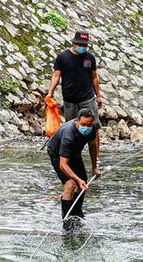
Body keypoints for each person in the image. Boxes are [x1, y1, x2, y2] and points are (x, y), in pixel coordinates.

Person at [47, 31, 102, 165]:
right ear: (74, 43)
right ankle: (70, 155)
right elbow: (56, 75)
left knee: (93, 128)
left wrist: (98, 96)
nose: (82, 47)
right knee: (72, 127)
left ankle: (96, 157)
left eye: (85, 45)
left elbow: (94, 77)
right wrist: (50, 93)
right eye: (80, 44)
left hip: (87, 98)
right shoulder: (63, 57)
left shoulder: (89, 58)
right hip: (70, 99)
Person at [47, 108, 100, 229]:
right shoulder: (68, 135)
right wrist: (77, 179)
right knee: (70, 184)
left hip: (75, 153)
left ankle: (76, 213)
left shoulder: (92, 129)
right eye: (83, 124)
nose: (86, 127)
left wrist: (94, 168)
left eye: (89, 125)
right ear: (77, 121)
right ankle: (67, 222)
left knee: (83, 184)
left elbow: (92, 145)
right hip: (57, 154)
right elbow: (63, 164)